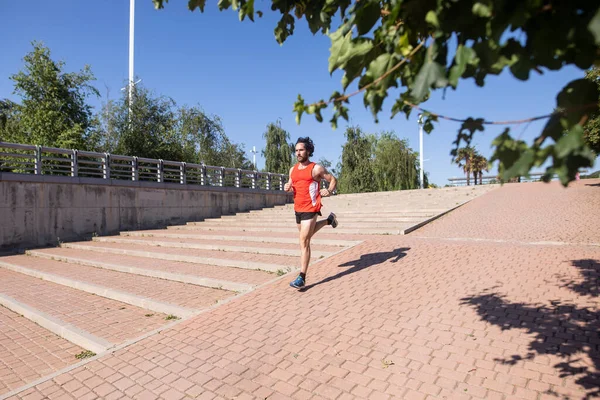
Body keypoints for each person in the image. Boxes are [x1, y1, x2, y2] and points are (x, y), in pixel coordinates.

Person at [284, 137, 338, 289]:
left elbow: (333, 179)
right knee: (307, 236)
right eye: (296, 151)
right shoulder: (292, 169)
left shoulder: (316, 168)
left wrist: (329, 190)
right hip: (298, 209)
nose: (298, 153)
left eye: (301, 150)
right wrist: (288, 186)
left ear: (308, 151)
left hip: (311, 208)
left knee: (304, 241)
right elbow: (291, 183)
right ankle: (329, 221)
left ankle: (302, 277)